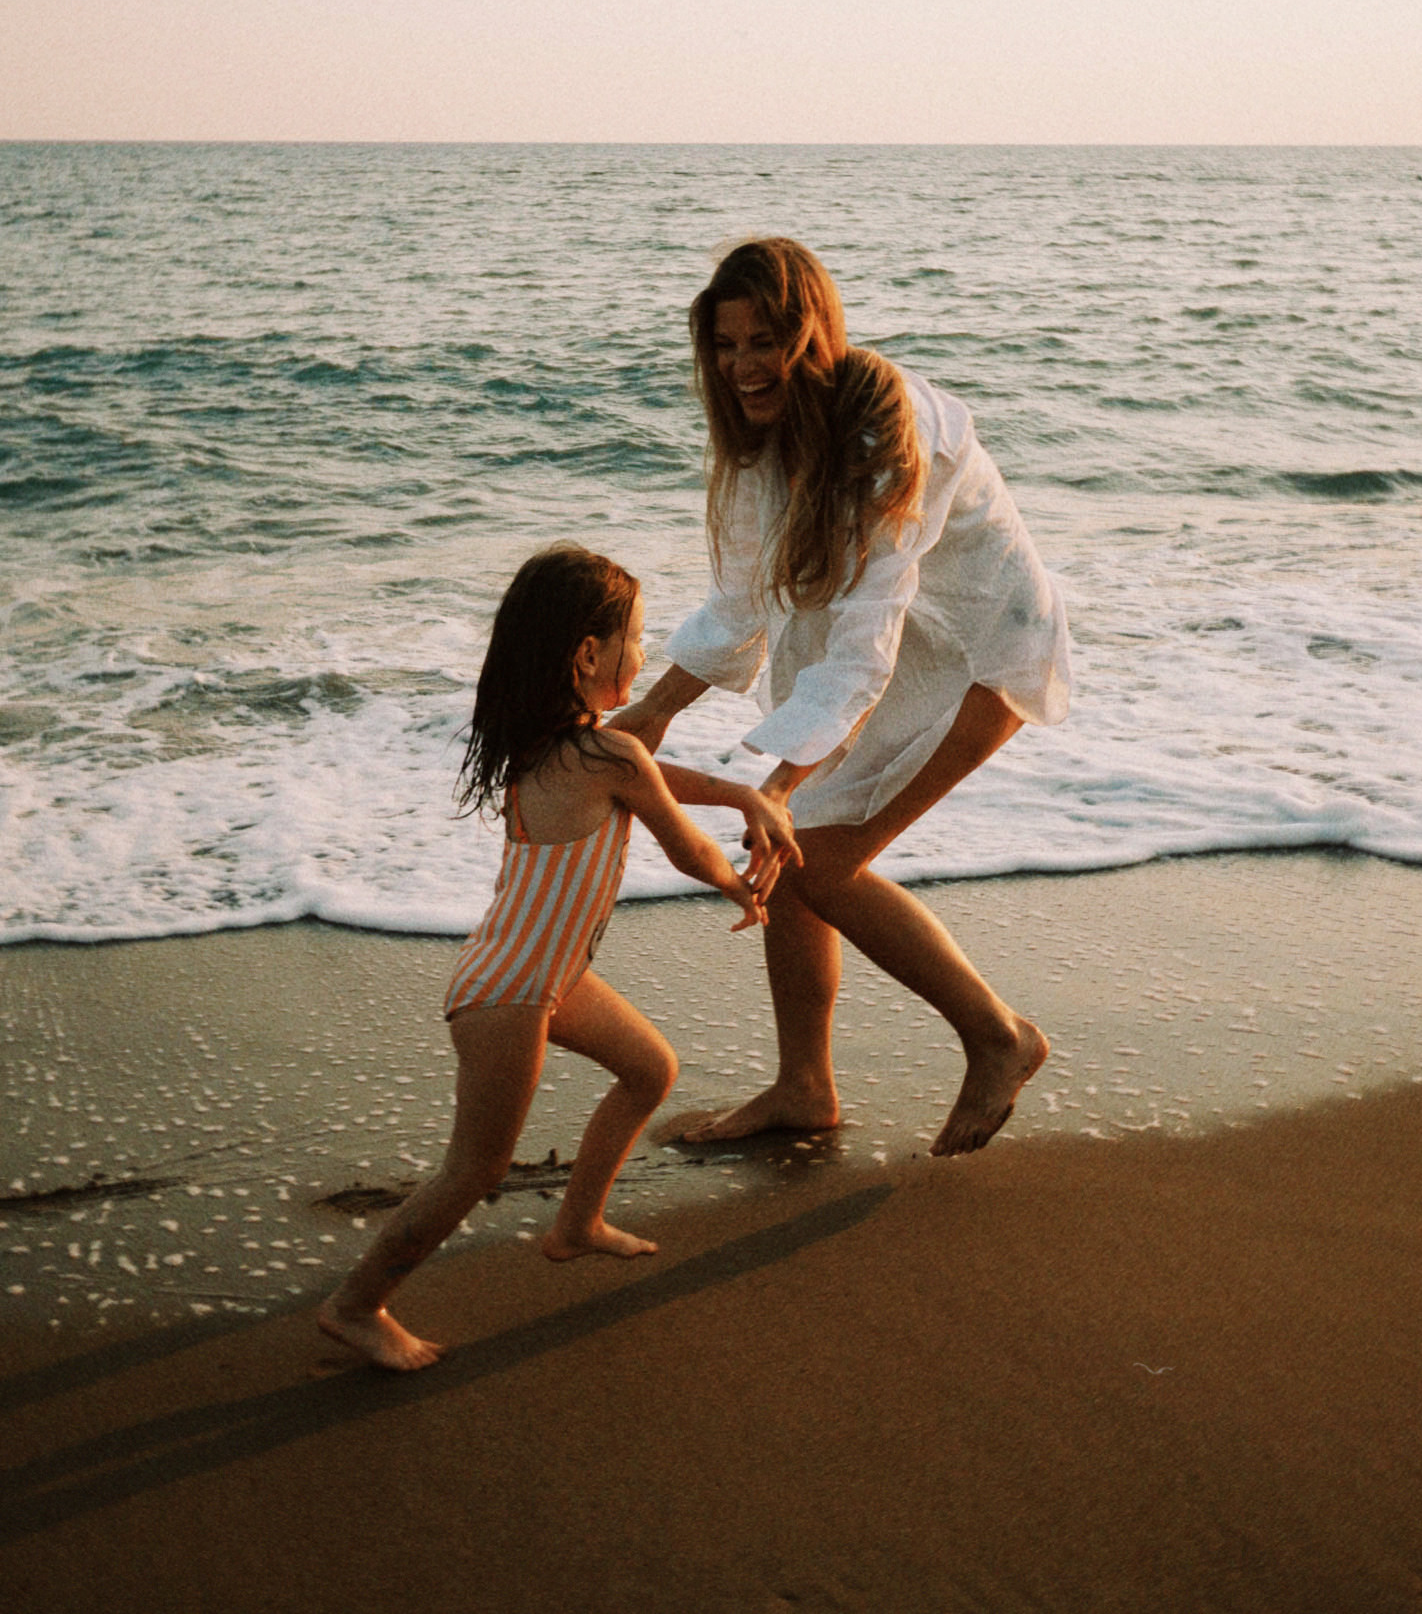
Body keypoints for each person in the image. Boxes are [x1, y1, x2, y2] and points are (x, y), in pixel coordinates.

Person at [613, 238, 1072, 1157]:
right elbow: (742, 601)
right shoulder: (760, 440)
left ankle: (998, 1037)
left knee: (818, 859)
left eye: (766, 340)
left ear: (813, 332)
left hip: (983, 657)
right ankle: (804, 1085)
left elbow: (866, 641)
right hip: (899, 657)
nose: (743, 366)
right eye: (725, 343)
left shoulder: (894, 434)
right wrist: (653, 711)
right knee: (789, 856)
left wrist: (777, 787)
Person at [319, 542, 797, 1371]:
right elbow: (683, 845)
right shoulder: (605, 758)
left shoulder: (556, 748)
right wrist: (742, 886)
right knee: (474, 1169)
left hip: (542, 975)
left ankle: (576, 1224)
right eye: (638, 640)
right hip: (510, 991)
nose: (643, 656)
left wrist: (741, 793)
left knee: (650, 1068)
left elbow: (653, 770)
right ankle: (356, 1307)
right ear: (589, 654)